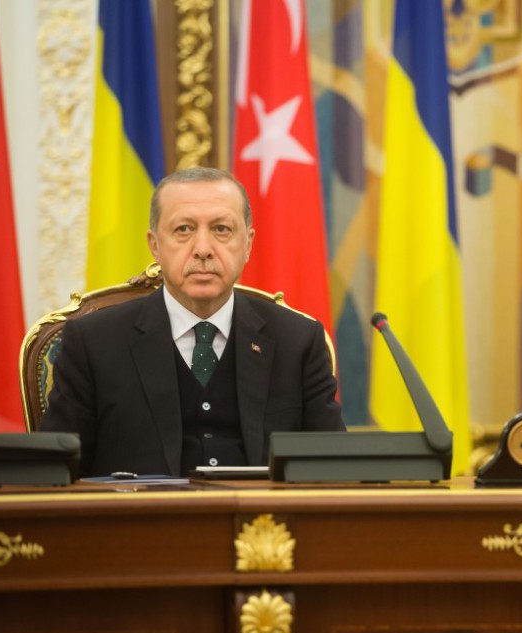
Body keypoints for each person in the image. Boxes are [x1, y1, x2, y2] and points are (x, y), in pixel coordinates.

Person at [41, 167, 344, 477]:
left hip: (259, 509)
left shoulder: (297, 341)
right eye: (183, 229)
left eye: (221, 229)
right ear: (155, 245)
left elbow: (334, 471)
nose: (202, 250)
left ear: (248, 244)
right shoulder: (94, 343)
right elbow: (53, 474)